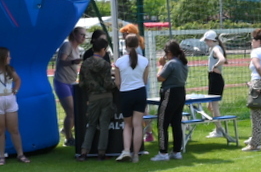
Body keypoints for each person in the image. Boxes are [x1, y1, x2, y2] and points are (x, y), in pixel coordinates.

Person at [76, 36, 115, 161]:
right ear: (103, 49)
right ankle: (101, 153)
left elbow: (81, 83)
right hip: (106, 97)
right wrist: (117, 83)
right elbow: (109, 84)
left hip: (92, 97)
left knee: (91, 125)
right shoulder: (105, 64)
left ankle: (84, 152)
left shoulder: (85, 64)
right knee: (104, 125)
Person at [113, 33, 149, 162]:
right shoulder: (145, 61)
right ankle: (136, 155)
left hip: (125, 93)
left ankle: (126, 150)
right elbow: (145, 81)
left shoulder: (119, 62)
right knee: (137, 124)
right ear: (138, 44)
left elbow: (117, 82)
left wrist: (123, 88)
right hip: (140, 92)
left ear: (126, 44)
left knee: (128, 125)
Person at [152, 40, 189, 162]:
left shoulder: (171, 63)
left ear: (169, 52)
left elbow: (160, 78)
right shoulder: (183, 63)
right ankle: (176, 151)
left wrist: (161, 65)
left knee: (162, 123)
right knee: (176, 123)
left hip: (169, 93)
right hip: (181, 92)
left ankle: (163, 152)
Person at [53, 27, 86, 146]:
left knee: (75, 111)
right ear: (75, 35)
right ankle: (68, 138)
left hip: (71, 82)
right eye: (82, 35)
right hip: (62, 82)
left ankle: (66, 130)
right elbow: (61, 62)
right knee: (71, 111)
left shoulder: (77, 48)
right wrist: (73, 62)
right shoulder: (67, 45)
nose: (84, 37)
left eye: (84, 35)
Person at [202, 30, 232, 140]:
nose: (206, 43)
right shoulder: (215, 48)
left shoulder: (216, 48)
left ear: (211, 40)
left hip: (216, 79)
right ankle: (218, 126)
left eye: (206, 41)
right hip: (213, 78)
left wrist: (214, 67)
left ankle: (219, 130)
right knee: (209, 106)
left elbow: (222, 59)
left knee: (214, 106)